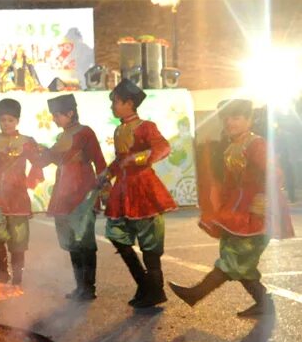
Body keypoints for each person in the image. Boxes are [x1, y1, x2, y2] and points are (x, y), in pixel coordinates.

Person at [169, 100, 295, 317]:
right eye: (226, 118)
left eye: (236, 117)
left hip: (256, 214)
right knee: (239, 260)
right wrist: (220, 207)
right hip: (237, 212)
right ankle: (264, 304)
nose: (229, 122)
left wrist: (262, 199)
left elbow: (275, 173)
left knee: (234, 260)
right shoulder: (232, 146)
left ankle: (196, 294)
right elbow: (229, 183)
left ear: (249, 120)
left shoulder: (256, 144)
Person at [103, 78, 176, 309]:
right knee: (116, 235)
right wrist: (107, 174)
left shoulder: (146, 127)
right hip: (123, 189)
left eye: (116, 102)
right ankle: (146, 284)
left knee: (149, 244)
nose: (113, 106)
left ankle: (154, 289)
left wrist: (141, 157)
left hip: (143, 187)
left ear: (130, 103)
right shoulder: (119, 129)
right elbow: (120, 160)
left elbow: (163, 147)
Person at [39, 94, 107, 300]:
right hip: (64, 194)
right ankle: (80, 287)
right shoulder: (61, 137)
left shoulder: (85, 133)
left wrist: (104, 191)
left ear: (70, 113)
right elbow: (49, 160)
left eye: (57, 115)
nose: (54, 119)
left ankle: (89, 288)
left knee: (85, 241)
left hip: (83, 194)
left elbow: (100, 162)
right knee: (72, 242)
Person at [0, 99, 44, 285]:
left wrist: (31, 180)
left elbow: (38, 162)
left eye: (10, 120)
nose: (6, 123)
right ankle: (3, 273)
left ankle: (18, 278)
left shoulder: (27, 142)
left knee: (18, 237)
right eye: (3, 119)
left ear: (17, 121)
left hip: (17, 195)